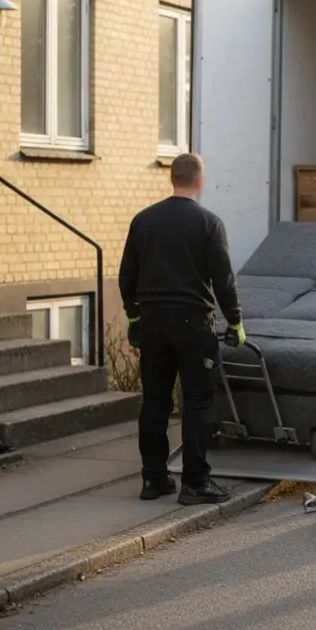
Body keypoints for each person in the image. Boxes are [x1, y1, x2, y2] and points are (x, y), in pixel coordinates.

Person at [119, 153, 244, 504]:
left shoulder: (143, 221)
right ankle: (195, 483)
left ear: (171, 179)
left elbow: (126, 276)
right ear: (200, 181)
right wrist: (234, 321)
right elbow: (223, 279)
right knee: (198, 403)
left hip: (154, 324)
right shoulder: (209, 223)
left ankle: (154, 479)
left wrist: (134, 320)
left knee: (155, 401)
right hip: (193, 325)